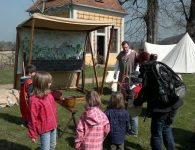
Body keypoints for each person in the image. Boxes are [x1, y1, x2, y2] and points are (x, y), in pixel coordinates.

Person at [134, 52, 184, 150]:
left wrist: (136, 102)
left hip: (162, 106)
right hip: (174, 101)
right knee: (166, 127)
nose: (138, 65)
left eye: (139, 62)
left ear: (143, 61)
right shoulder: (159, 65)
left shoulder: (148, 70)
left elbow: (145, 91)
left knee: (156, 133)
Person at [28, 71, 57, 150]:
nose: (50, 83)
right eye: (48, 82)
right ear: (41, 84)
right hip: (44, 129)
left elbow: (54, 110)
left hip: (53, 126)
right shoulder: (34, 100)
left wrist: (55, 122)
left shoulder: (49, 95)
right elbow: (32, 118)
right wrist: (33, 134)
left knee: (52, 146)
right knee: (45, 148)